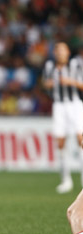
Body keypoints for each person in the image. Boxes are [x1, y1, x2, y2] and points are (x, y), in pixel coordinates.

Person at [42, 42, 83, 194]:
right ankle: (66, 180)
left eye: (63, 50)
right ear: (55, 53)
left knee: (81, 139)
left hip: (75, 104)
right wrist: (49, 84)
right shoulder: (49, 66)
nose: (60, 53)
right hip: (59, 105)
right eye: (58, 50)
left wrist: (70, 81)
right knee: (60, 142)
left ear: (67, 52)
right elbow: (44, 84)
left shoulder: (76, 65)